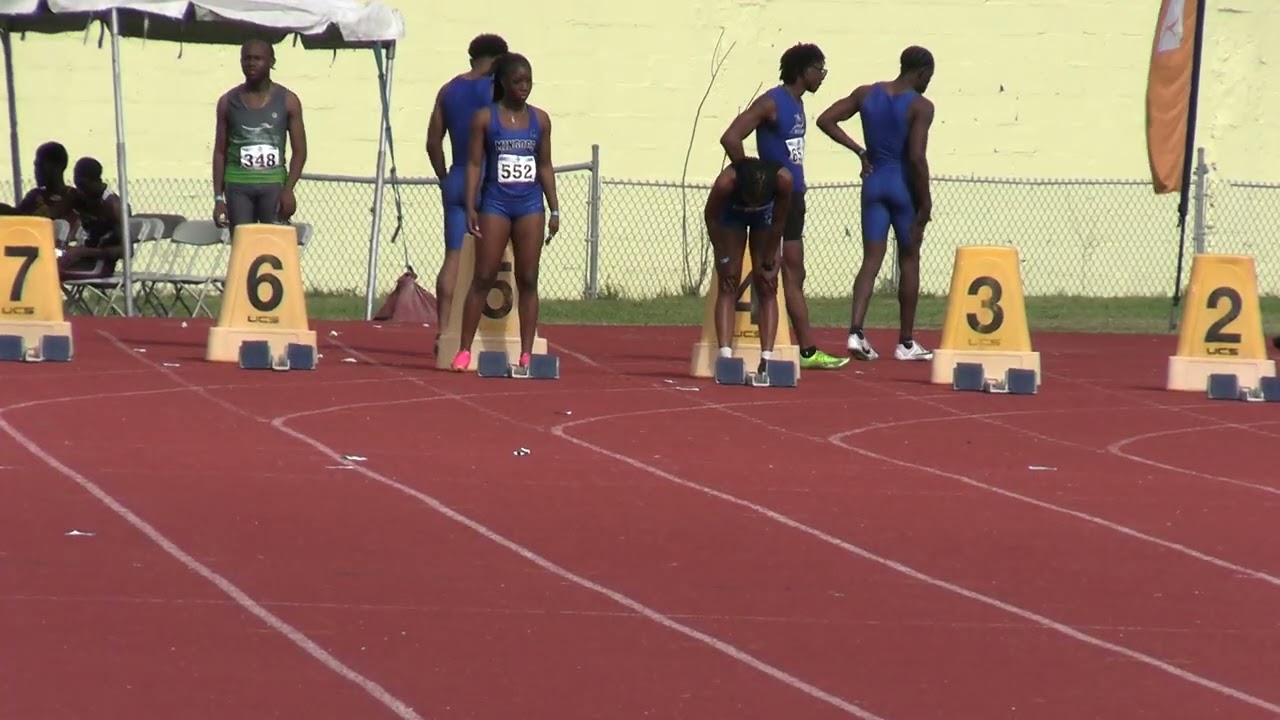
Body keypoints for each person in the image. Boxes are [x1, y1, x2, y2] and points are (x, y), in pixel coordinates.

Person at [719, 43, 849, 371]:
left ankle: (806, 349)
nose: (823, 76)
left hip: (795, 197)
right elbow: (731, 136)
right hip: (772, 198)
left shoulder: (798, 103)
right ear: (803, 70)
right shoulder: (771, 102)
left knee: (795, 271)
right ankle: (792, 349)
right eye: (820, 69)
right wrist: (751, 176)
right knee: (772, 272)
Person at [816, 45, 936, 362]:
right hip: (902, 187)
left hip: (873, 183)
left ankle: (856, 333)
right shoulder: (921, 106)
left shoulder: (867, 93)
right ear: (922, 72)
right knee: (909, 260)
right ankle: (906, 343)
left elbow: (826, 119)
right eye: (929, 77)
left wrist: (859, 151)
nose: (928, 83)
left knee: (871, 259)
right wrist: (925, 203)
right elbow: (916, 157)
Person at [452, 52, 559, 372]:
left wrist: (555, 208)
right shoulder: (485, 119)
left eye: (528, 81)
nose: (524, 87)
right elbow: (473, 164)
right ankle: (463, 349)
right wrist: (471, 205)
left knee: (528, 278)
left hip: (529, 205)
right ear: (503, 83)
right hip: (495, 203)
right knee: (483, 276)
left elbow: (545, 165)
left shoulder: (540, 120)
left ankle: (526, 353)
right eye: (517, 82)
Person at [425, 33, 509, 348]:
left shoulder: (448, 90)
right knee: (501, 258)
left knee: (453, 257)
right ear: (500, 59)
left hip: (458, 178)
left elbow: (433, 142)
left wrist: (444, 175)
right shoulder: (497, 89)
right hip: (489, 181)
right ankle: (494, 330)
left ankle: (444, 330)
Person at [704, 157, 793, 375]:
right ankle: (725, 357)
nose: (752, 206)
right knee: (728, 280)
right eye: (750, 201)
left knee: (768, 283)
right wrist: (721, 250)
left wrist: (772, 253)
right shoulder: (726, 183)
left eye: (757, 201)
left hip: (765, 219)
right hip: (730, 216)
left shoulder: (784, 180)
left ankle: (767, 359)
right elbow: (710, 217)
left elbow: (780, 221)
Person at [212, 39, 307, 230]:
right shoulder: (227, 102)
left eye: (258, 59)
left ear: (271, 62)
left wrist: (288, 189)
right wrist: (218, 198)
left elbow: (300, 152)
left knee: (271, 245)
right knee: (242, 244)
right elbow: (220, 152)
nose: (251, 63)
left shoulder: (288, 101)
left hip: (273, 184)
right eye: (246, 59)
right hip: (238, 185)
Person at [59, 157, 127, 278]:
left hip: (100, 266)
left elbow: (126, 251)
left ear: (96, 181)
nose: (80, 191)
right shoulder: (82, 199)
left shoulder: (113, 205)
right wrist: (64, 244)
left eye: (83, 186)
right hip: (81, 259)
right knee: (41, 265)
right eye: (77, 185)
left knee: (48, 271)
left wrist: (85, 252)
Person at [0, 142, 80, 239]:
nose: (36, 171)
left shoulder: (73, 197)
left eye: (40, 165)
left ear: (57, 167)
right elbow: (17, 217)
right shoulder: (34, 196)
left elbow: (50, 215)